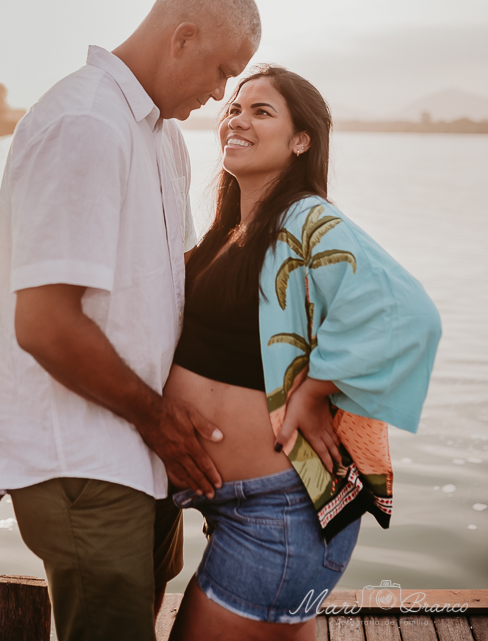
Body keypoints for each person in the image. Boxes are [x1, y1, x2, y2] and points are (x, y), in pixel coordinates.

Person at [0, 0, 261, 641]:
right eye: (219, 70)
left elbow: (164, 290)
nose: (220, 93)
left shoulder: (162, 139)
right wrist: (159, 421)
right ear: (181, 37)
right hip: (86, 461)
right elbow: (44, 323)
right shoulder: (85, 123)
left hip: (141, 455)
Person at [165, 65, 441, 641]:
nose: (237, 119)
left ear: (300, 140)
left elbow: (407, 314)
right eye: (235, 109)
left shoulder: (306, 218)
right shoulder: (234, 230)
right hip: (254, 509)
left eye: (261, 112)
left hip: (276, 516)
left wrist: (317, 388)